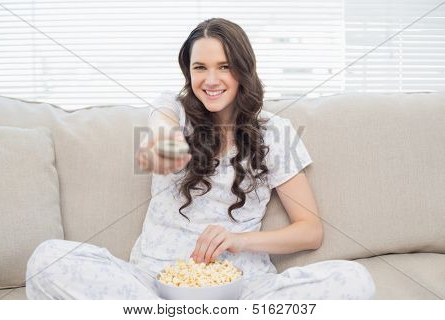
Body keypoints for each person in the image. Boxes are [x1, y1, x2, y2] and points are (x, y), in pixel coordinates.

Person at [26, 18, 375, 300]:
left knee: (355, 280)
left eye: (224, 66)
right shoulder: (172, 110)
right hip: (154, 287)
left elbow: (310, 231)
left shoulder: (274, 133)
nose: (211, 80)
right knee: (47, 259)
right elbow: (160, 134)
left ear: (243, 70)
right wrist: (163, 147)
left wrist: (238, 240)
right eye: (200, 67)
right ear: (188, 72)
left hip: (242, 291)